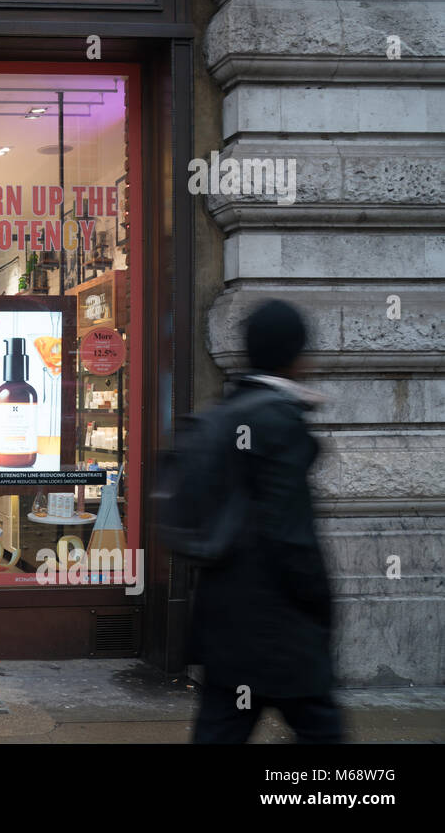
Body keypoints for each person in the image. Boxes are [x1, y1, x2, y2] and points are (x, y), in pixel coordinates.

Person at [188, 298, 342, 743]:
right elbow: (291, 534)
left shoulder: (223, 413)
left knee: (222, 725)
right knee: (321, 729)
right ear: (294, 355)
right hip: (279, 627)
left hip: (223, 621)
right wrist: (320, 607)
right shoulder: (277, 421)